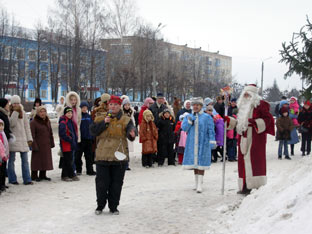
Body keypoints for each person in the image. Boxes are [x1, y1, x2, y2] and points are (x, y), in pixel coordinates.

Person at [90, 95, 136, 215]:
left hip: (119, 156)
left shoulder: (126, 119)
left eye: (115, 105)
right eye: (111, 104)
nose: (113, 107)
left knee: (116, 183)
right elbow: (93, 131)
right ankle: (100, 205)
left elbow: (131, 130)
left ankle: (114, 206)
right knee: (101, 183)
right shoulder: (100, 117)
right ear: (107, 106)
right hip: (102, 155)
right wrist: (104, 123)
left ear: (119, 106)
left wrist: (132, 133)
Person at [225, 84, 275, 195]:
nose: (246, 96)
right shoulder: (242, 106)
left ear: (253, 95)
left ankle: (256, 186)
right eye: (245, 94)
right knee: (243, 161)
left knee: (254, 160)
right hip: (243, 137)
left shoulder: (261, 105)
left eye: (248, 94)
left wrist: (254, 122)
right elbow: (239, 123)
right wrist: (229, 121)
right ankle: (245, 186)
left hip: (256, 137)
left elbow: (268, 119)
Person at [182, 97, 216, 193]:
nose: (195, 107)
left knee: (201, 163)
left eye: (197, 105)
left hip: (203, 143)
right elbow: (184, 128)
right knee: (195, 163)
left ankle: (200, 184)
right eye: (194, 105)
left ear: (201, 106)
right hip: (192, 143)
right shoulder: (188, 116)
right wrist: (189, 121)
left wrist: (211, 140)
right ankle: (196, 183)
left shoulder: (207, 117)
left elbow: (211, 130)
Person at [8, 95, 33, 185]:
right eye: (14, 103)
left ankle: (27, 179)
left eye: (18, 103)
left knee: (25, 161)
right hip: (13, 140)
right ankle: (12, 179)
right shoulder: (9, 112)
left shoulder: (23, 112)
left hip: (23, 139)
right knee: (11, 161)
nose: (16, 105)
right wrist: (15, 112)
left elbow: (27, 127)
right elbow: (12, 124)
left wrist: (29, 139)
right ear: (12, 103)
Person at [30, 106, 55, 181]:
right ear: (37, 113)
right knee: (36, 160)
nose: (43, 113)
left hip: (46, 144)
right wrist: (34, 145)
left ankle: (43, 175)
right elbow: (32, 135)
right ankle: (34, 175)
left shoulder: (47, 121)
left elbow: (50, 132)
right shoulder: (33, 122)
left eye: (44, 111)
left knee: (45, 160)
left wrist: (51, 142)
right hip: (38, 144)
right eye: (41, 111)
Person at [59, 107, 79, 182]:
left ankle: (70, 174)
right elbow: (62, 134)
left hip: (71, 144)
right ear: (65, 114)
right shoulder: (63, 122)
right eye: (68, 113)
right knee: (67, 160)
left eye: (71, 113)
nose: (70, 114)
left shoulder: (71, 122)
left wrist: (75, 139)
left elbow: (74, 132)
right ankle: (66, 175)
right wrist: (70, 139)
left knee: (69, 159)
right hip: (66, 144)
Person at [75, 101, 95, 176]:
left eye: (85, 107)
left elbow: (92, 127)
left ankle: (90, 170)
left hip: (89, 139)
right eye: (82, 107)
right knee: (78, 156)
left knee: (89, 156)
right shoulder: (79, 116)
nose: (84, 109)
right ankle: (78, 170)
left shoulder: (89, 116)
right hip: (81, 139)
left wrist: (92, 136)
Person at [65, 91, 82, 174]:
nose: (73, 101)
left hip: (76, 133)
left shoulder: (78, 109)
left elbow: (79, 122)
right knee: (69, 154)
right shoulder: (66, 108)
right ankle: (70, 171)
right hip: (69, 133)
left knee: (75, 154)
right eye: (71, 100)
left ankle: (73, 170)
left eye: (75, 100)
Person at [0, 119, 9, 193]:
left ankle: (3, 184)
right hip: (1, 156)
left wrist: (6, 154)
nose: (1, 127)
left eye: (2, 125)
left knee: (3, 170)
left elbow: (6, 145)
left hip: (4, 155)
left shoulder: (3, 134)